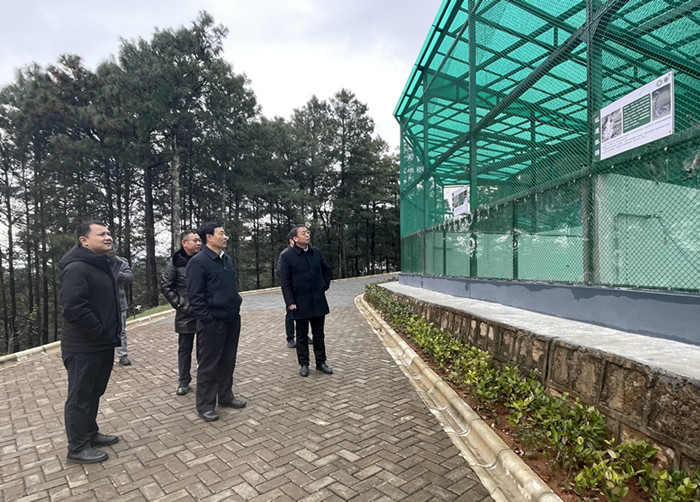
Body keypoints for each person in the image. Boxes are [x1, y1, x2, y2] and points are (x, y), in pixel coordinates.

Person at [58, 220, 121, 464]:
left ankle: (90, 433)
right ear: (84, 241)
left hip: (101, 343)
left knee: (94, 392)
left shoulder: (99, 264)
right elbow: (73, 307)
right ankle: (77, 447)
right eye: (101, 234)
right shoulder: (77, 268)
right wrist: (99, 331)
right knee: (80, 396)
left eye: (108, 233)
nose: (108, 237)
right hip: (84, 345)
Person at [186, 222, 246, 422]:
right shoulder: (198, 262)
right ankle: (205, 405)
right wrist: (209, 320)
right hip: (212, 323)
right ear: (209, 237)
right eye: (221, 233)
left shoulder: (226, 259)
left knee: (228, 360)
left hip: (231, 319)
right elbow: (195, 297)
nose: (225, 236)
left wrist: (236, 305)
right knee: (209, 364)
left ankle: (226, 396)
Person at [278, 224, 333, 377]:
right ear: (295, 238)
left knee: (319, 334)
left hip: (317, 300)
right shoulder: (287, 256)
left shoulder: (316, 253)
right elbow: (285, 282)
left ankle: (321, 362)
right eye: (303, 233)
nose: (307, 235)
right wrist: (290, 302)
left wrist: (323, 285)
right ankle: (304, 364)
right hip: (299, 302)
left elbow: (327, 270)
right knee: (301, 335)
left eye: (308, 232)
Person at [160, 229, 202, 396]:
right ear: (185, 243)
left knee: (205, 348)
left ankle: (205, 379)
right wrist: (180, 304)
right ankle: (184, 381)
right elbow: (165, 285)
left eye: (199, 240)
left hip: (204, 311)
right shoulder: (175, 262)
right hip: (186, 314)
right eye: (195, 240)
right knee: (185, 349)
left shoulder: (204, 259)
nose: (199, 243)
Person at [107, 245, 134, 366]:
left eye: (112, 252)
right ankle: (105, 355)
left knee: (121, 330)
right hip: (103, 303)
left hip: (119, 302)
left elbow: (130, 277)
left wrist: (117, 274)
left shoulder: (122, 262)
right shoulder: (97, 262)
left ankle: (123, 355)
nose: (111, 254)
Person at [278, 232, 297, 348]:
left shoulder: (300, 253)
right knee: (290, 313)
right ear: (291, 240)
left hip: (301, 289)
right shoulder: (285, 255)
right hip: (291, 289)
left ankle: (303, 335)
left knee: (303, 314)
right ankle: (290, 338)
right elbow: (281, 273)